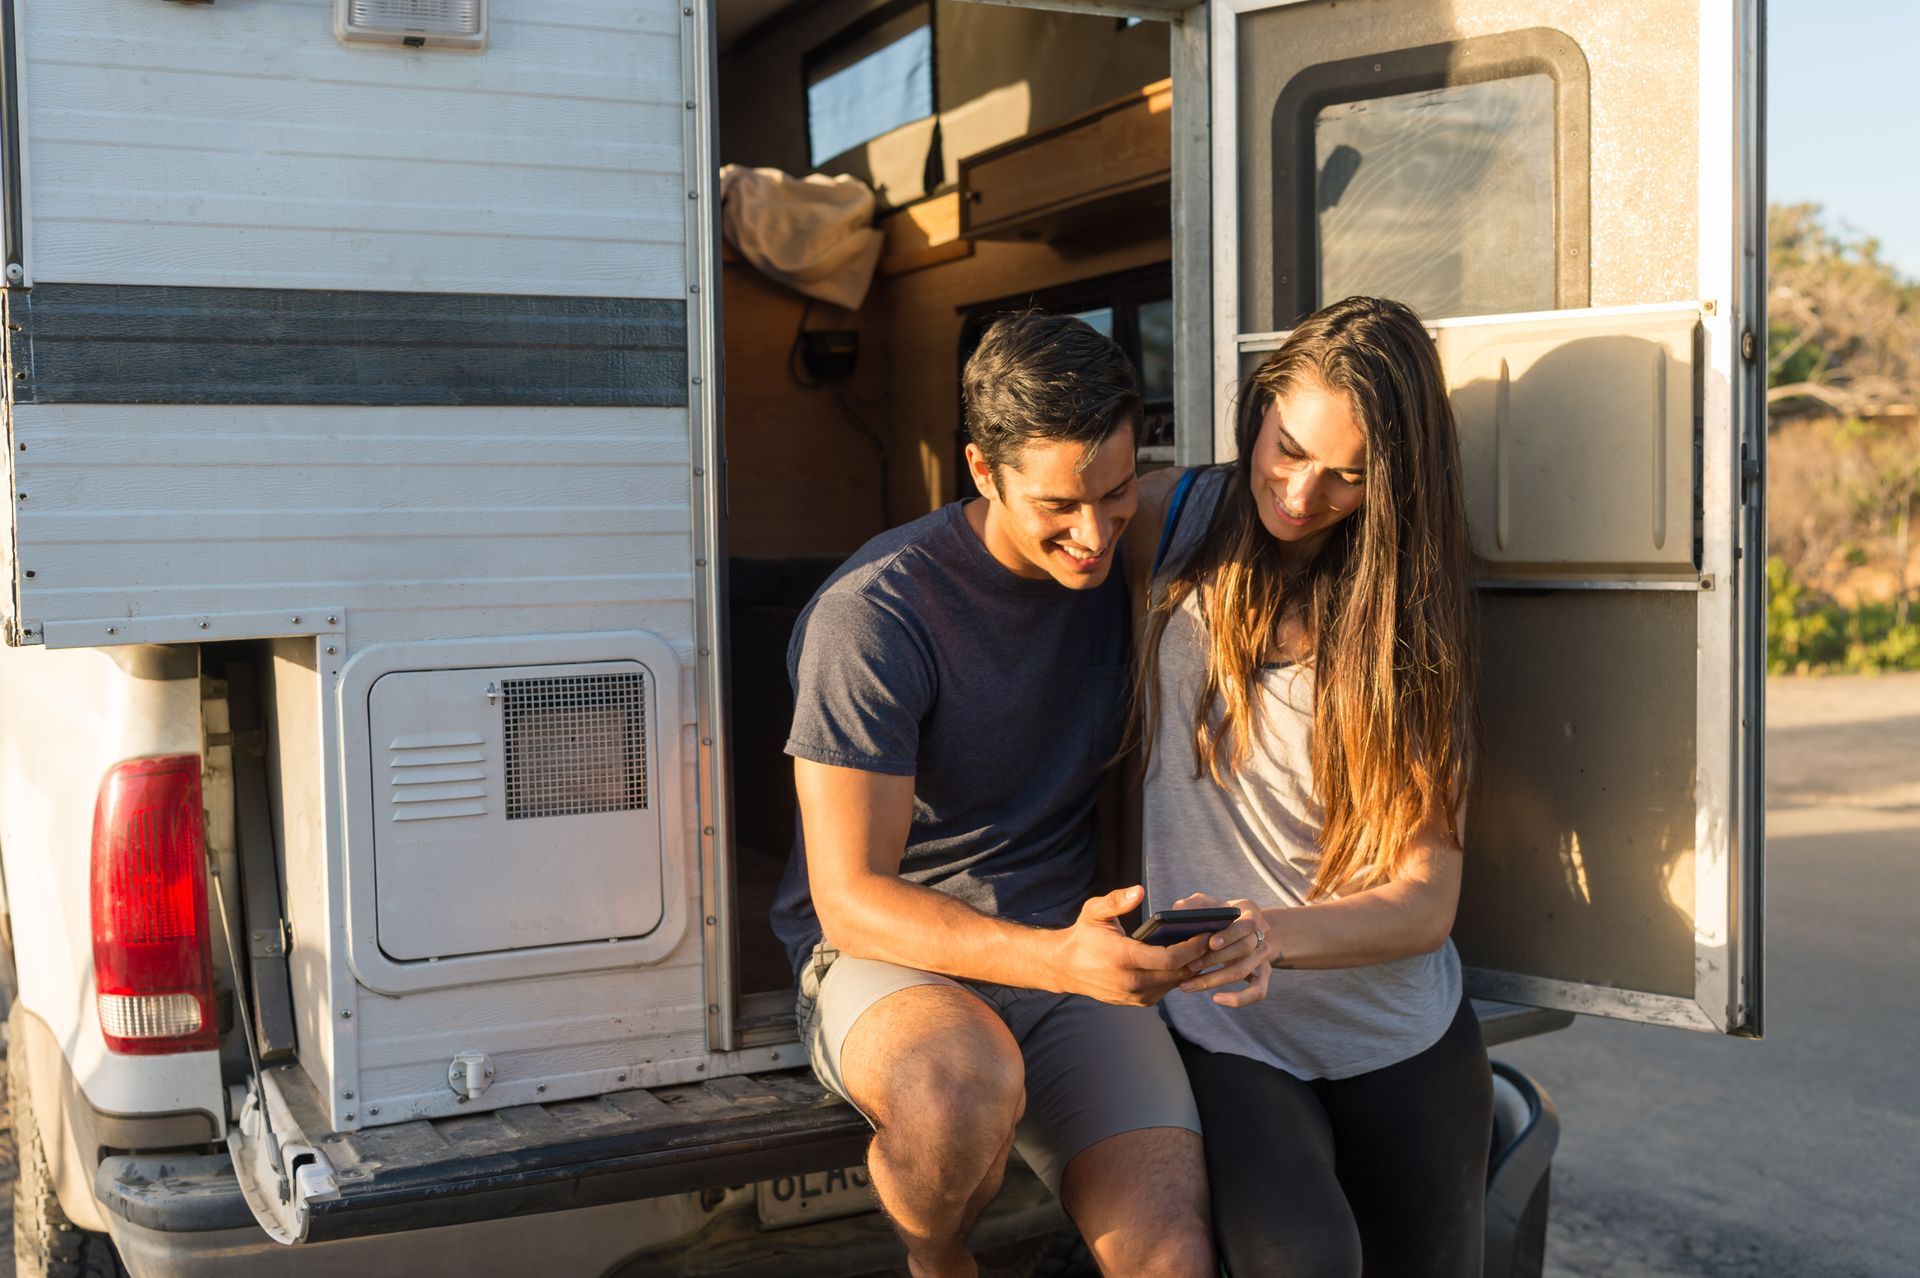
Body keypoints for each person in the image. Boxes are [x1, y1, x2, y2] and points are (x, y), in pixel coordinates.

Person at [770, 312, 1217, 1278]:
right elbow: (849, 897)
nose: (1092, 535)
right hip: (889, 956)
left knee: (1172, 1257)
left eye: (1113, 493)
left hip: (1067, 949)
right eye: (1060, 504)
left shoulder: (1130, 553)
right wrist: (1059, 959)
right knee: (961, 1093)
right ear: (981, 469)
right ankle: (939, 1260)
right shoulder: (877, 614)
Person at [1124, 295, 1491, 1277]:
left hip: (1397, 1032)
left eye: (1346, 477)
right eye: (1286, 447)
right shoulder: (1169, 518)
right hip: (1228, 1029)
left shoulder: (1408, 622)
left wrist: (1268, 934)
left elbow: (1426, 902)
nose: (1298, 492)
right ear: (1261, 407)